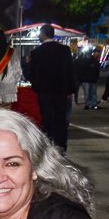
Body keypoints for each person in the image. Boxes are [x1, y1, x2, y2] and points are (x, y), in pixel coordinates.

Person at [28, 24, 75, 153]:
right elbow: (70, 71)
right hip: (61, 91)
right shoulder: (64, 50)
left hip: (44, 91)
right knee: (61, 119)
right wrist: (70, 89)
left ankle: (49, 145)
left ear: (43, 34)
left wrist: (36, 87)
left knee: (47, 119)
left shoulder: (37, 52)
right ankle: (61, 145)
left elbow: (32, 74)